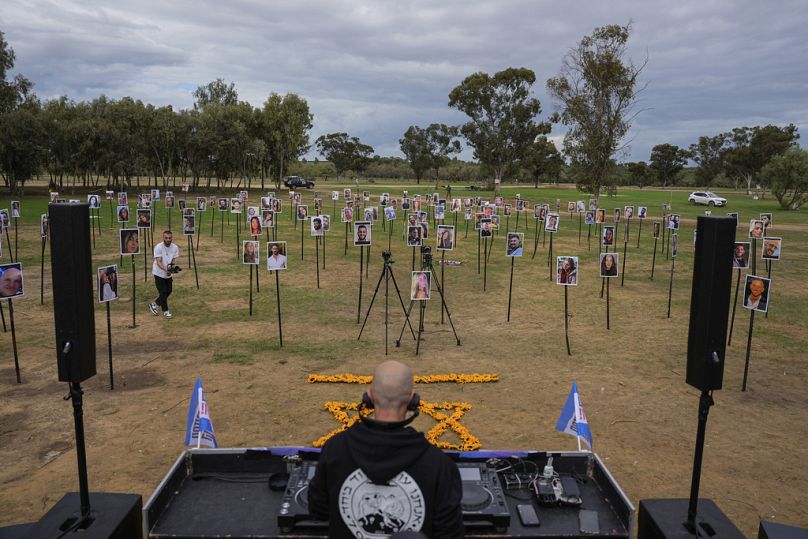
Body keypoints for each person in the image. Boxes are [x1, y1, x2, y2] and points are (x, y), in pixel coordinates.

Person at [308, 360, 463, 538]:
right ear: (412, 400)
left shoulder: (334, 449)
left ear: (369, 397)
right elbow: (450, 533)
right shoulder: (439, 464)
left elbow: (318, 510)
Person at [149, 231, 179, 319]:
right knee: (163, 292)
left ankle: (154, 304)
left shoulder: (175, 247)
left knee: (169, 290)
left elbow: (173, 260)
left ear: (172, 238)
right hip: (158, 273)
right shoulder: (158, 247)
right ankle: (165, 311)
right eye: (166, 238)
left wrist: (172, 268)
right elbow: (158, 261)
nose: (168, 239)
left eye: (170, 238)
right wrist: (166, 269)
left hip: (168, 273)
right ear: (163, 238)